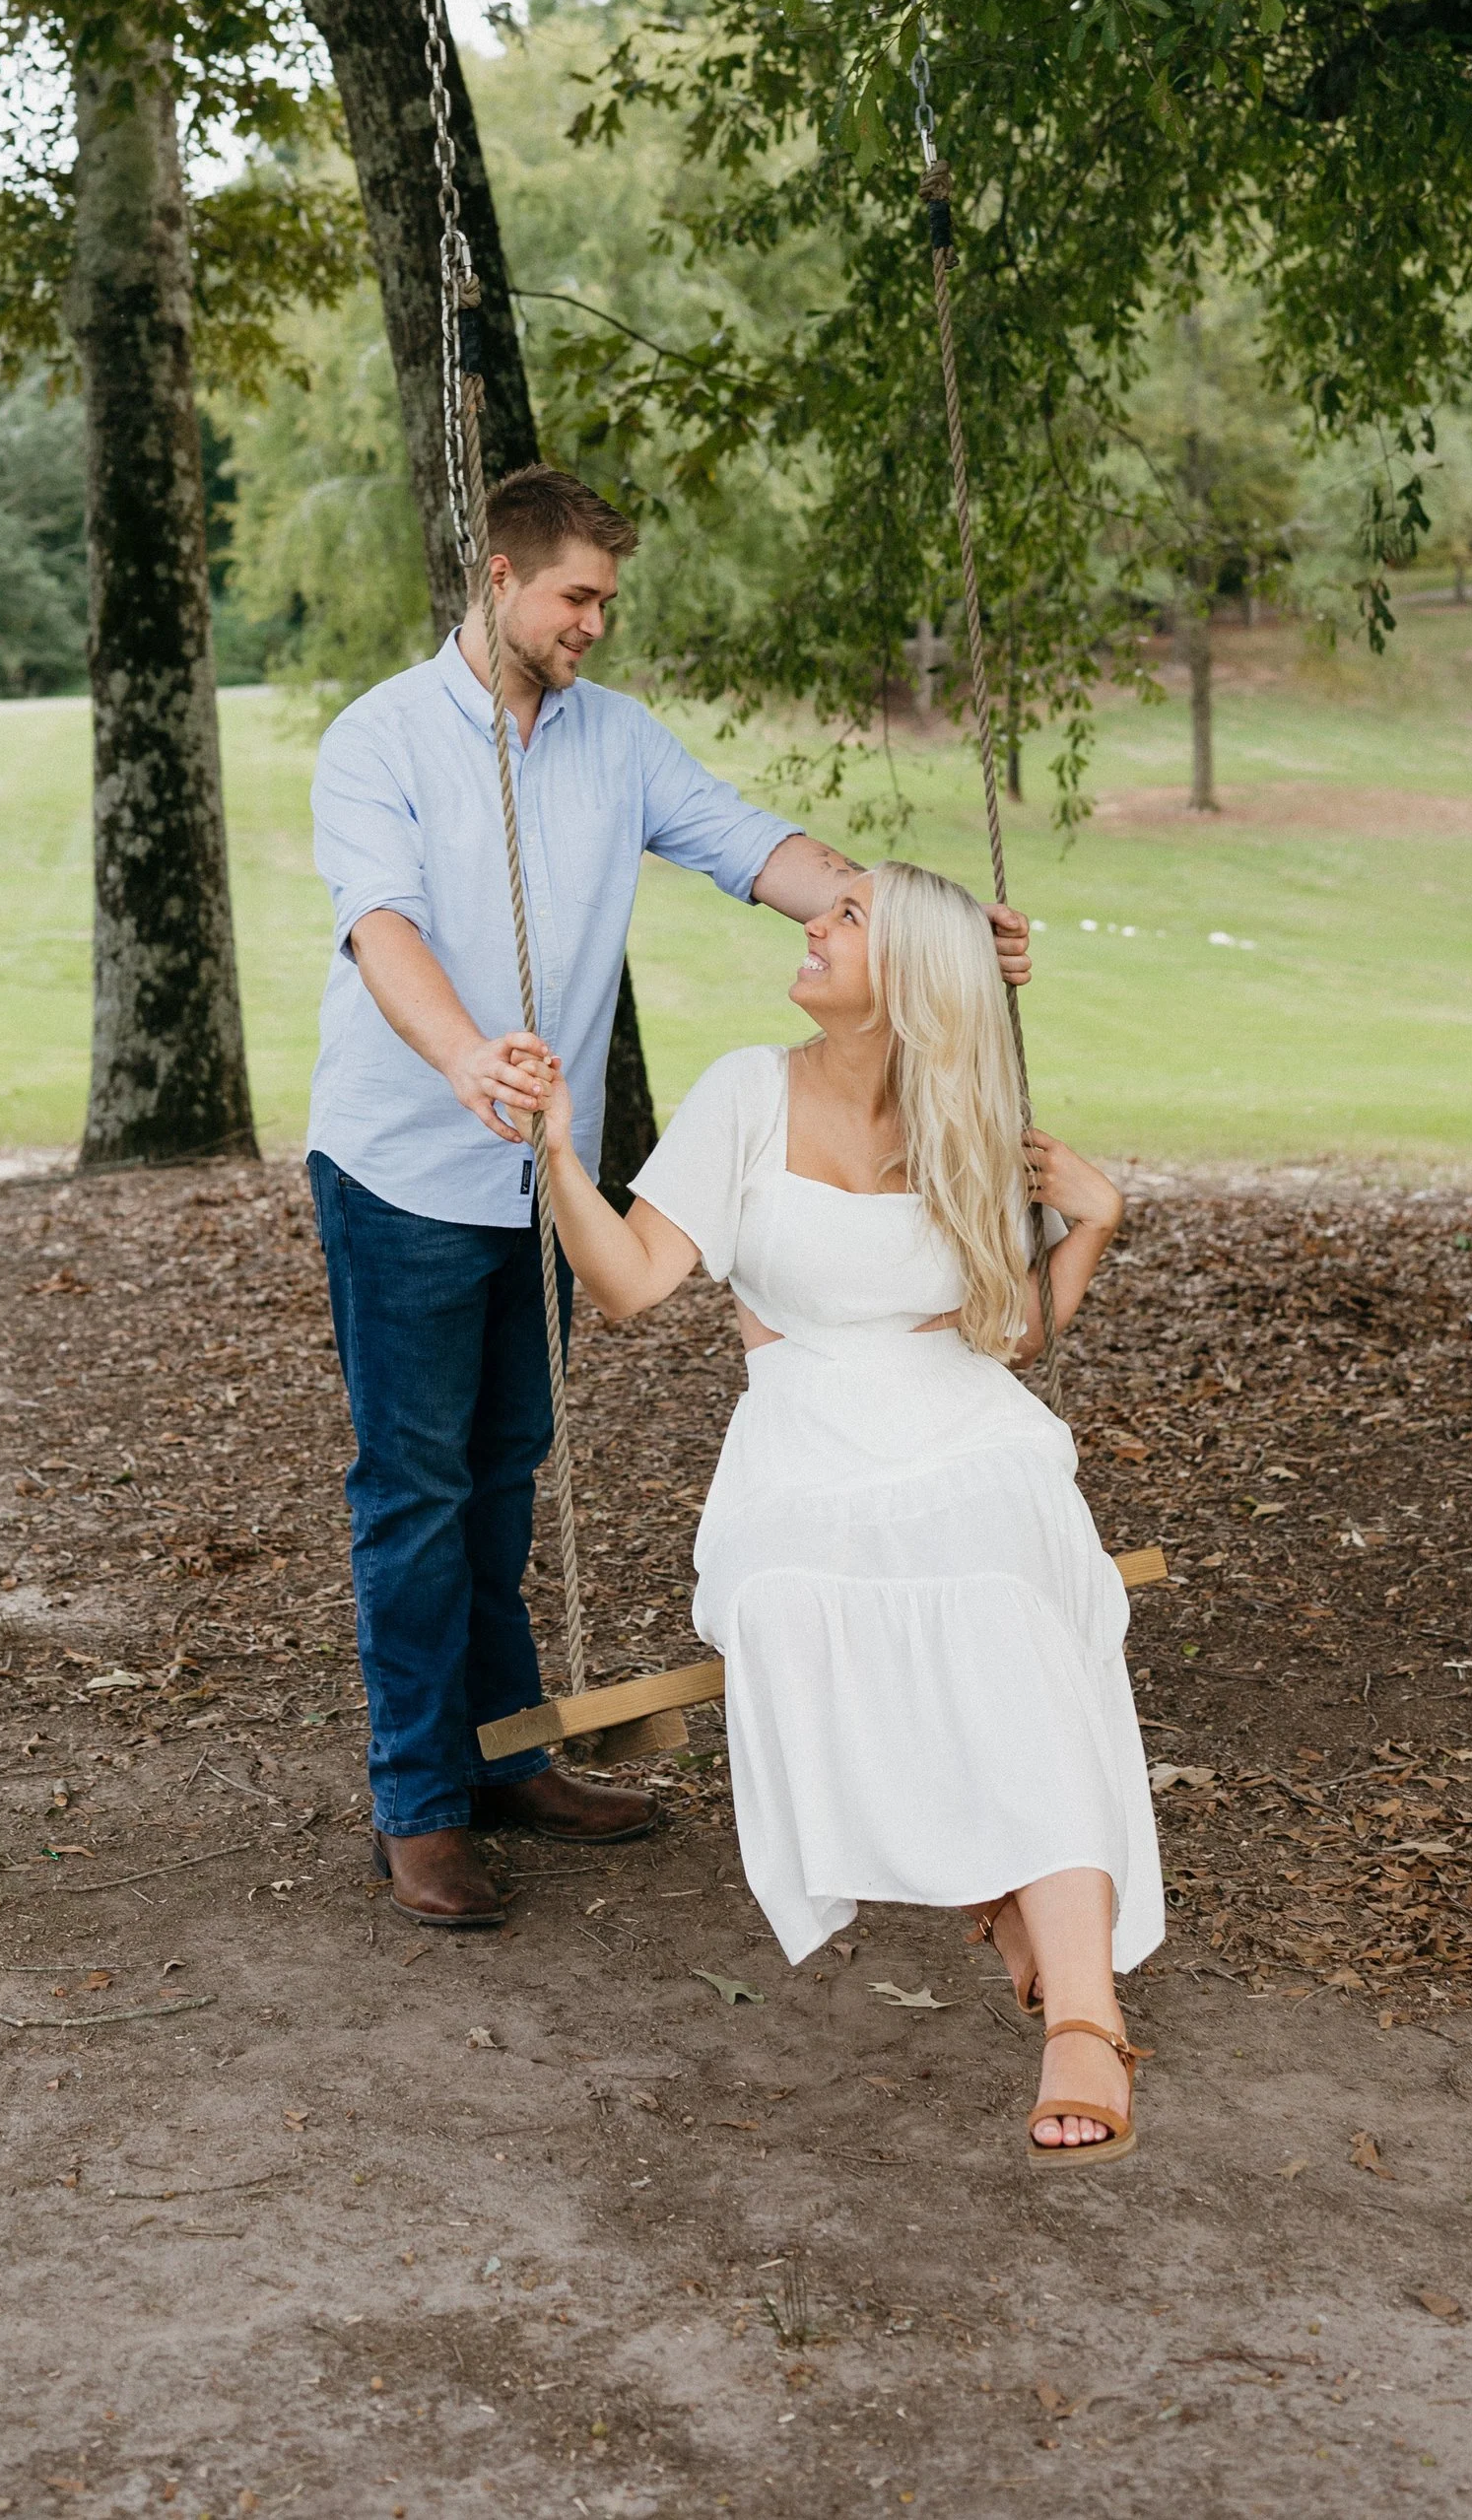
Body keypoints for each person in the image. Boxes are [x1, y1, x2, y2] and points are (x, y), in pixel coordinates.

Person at [307, 465, 1028, 1932]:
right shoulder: (378, 740)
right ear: (499, 575)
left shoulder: (615, 741)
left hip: (538, 1182)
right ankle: (420, 1802)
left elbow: (758, 846)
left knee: (507, 1463)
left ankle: (507, 1748)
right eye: (576, 596)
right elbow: (380, 928)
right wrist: (464, 1057)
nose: (593, 623)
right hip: (405, 1169)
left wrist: (922, 919)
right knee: (415, 1486)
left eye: (606, 602)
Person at [532, 857, 1162, 2163]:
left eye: (848, 915)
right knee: (794, 1603)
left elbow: (1005, 1326)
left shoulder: (968, 1112)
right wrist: (553, 1155)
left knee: (1010, 1603)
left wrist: (1088, 1225)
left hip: (964, 1420)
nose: (813, 923)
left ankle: (1085, 2017)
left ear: (911, 977)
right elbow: (635, 1283)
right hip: (806, 1426)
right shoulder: (744, 1096)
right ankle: (1001, 1892)